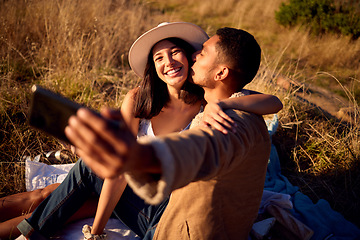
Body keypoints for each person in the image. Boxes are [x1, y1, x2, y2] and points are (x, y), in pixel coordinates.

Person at [16, 25, 275, 239]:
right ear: (153, 67)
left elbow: (271, 102)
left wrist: (224, 103)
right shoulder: (144, 101)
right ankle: (28, 232)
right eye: (159, 58)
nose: (175, 61)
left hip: (166, 215)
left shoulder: (211, 108)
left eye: (182, 53)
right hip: (145, 194)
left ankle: (29, 234)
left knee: (78, 176)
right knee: (48, 193)